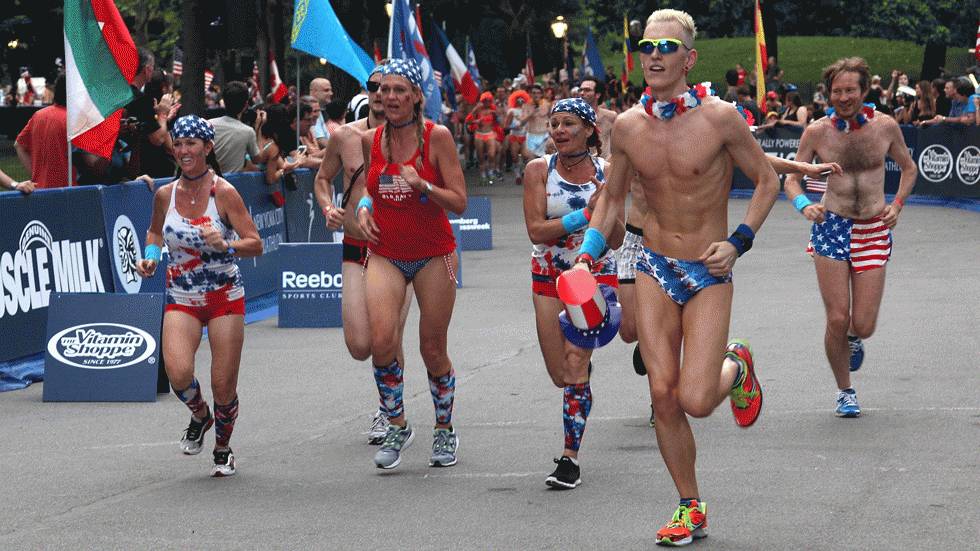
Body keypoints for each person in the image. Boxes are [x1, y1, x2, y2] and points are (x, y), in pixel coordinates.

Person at [574, 9, 779, 545]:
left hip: (708, 270)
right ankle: (690, 505)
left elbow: (767, 180)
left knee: (696, 400)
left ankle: (735, 365)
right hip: (653, 266)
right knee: (662, 396)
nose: (655, 55)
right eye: (647, 46)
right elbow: (612, 200)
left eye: (667, 47)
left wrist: (739, 242)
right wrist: (586, 254)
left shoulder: (721, 118)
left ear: (688, 59)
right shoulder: (626, 126)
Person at [785, 57, 916, 420]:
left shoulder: (885, 127)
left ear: (863, 91)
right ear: (829, 94)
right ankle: (845, 391)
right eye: (837, 91)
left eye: (850, 90)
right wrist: (803, 205)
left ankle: (854, 338)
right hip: (832, 226)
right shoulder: (817, 132)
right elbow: (792, 177)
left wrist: (898, 204)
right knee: (837, 318)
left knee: (864, 324)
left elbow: (908, 167)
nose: (844, 97)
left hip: (873, 227)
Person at [135, 115, 263, 477]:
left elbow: (255, 243)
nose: (183, 150)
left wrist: (227, 244)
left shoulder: (223, 192)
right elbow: (155, 233)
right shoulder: (165, 194)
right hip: (181, 296)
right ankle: (200, 415)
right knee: (178, 373)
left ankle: (223, 448)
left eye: (191, 143)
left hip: (224, 296)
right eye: (178, 143)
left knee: (223, 385)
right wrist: (151, 257)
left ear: (207, 148)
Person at [356, 58, 467, 470]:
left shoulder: (436, 138)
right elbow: (372, 188)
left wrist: (425, 186)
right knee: (382, 343)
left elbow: (458, 200)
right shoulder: (373, 139)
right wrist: (366, 207)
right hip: (385, 250)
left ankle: (444, 429)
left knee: (432, 348)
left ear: (417, 96)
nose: (390, 97)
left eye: (400, 90)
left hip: (433, 252)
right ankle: (397, 424)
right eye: (384, 90)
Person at [523, 98, 624, 489]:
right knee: (560, 374)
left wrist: (607, 210)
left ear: (588, 130)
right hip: (549, 275)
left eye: (568, 124)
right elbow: (536, 230)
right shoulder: (538, 170)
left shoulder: (608, 172)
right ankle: (579, 378)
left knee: (575, 362)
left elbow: (614, 239)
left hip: (595, 275)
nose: (559, 131)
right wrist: (587, 213)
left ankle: (569, 459)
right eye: (554, 124)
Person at [313, 62, 415, 445]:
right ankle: (391, 402)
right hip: (357, 246)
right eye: (374, 85)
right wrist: (327, 208)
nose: (380, 93)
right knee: (360, 344)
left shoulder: (417, 138)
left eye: (390, 86)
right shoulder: (344, 137)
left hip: (400, 248)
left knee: (388, 335)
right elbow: (322, 180)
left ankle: (391, 414)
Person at [15, 74, 69, 188]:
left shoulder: (39, 115)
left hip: (42, 191)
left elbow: (18, 145)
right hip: (71, 191)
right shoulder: (75, 119)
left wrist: (36, 176)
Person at [208, 81, 266, 175]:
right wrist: (259, 128)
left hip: (209, 184)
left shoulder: (208, 125)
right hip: (233, 186)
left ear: (224, 101)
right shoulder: (248, 131)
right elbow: (257, 159)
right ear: (246, 105)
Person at [578, 77, 618, 159]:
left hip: (606, 167)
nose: (582, 93)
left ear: (597, 95)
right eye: (580, 90)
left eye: (587, 90)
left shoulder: (611, 116)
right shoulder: (573, 117)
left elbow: (619, 144)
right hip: (582, 167)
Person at [504, 90, 531, 185]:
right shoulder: (511, 111)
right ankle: (517, 175)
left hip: (525, 136)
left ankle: (523, 171)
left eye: (522, 100)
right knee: (515, 156)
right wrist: (513, 127)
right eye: (518, 100)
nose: (520, 101)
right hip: (514, 136)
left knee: (526, 156)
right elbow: (506, 126)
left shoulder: (528, 111)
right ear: (514, 100)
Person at [523, 84, 552, 161]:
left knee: (546, 161)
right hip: (531, 136)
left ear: (541, 94)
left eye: (538, 93)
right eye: (534, 93)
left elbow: (552, 119)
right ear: (530, 94)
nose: (536, 95)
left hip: (544, 136)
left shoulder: (548, 104)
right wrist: (531, 114)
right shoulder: (526, 106)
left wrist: (550, 130)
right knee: (531, 162)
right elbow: (522, 122)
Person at [309, 78, 333, 148]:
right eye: (326, 90)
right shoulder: (310, 109)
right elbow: (320, 140)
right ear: (314, 92)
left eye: (331, 90)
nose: (331, 93)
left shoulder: (319, 108)